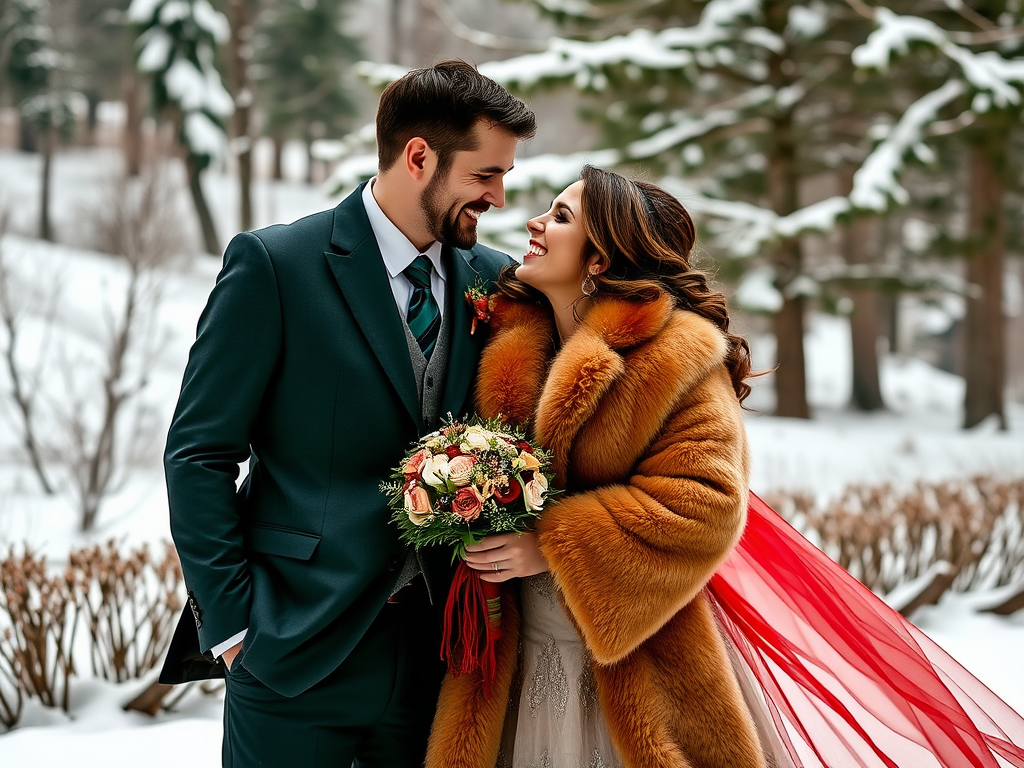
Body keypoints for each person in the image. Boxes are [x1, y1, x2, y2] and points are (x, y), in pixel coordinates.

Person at [425, 166, 1024, 768]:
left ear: (601, 258)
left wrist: (551, 545)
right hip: (505, 658)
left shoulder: (676, 356)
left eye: (559, 217)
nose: (532, 221)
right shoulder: (506, 342)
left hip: (633, 663)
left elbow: (706, 504)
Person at [159, 60, 536, 768]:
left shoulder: (492, 277)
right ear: (419, 156)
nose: (499, 195)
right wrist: (237, 625)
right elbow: (199, 453)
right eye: (486, 174)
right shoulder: (276, 264)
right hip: (293, 649)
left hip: (442, 661)